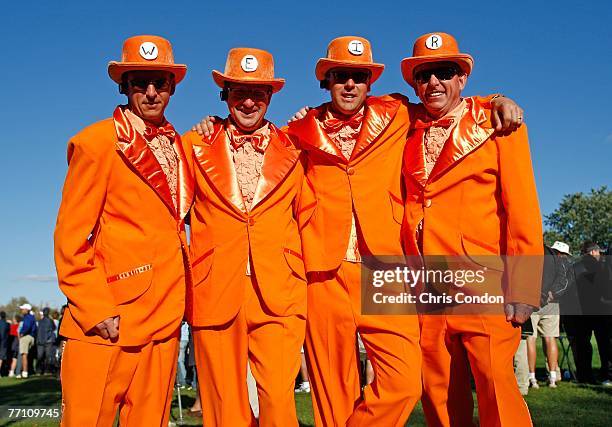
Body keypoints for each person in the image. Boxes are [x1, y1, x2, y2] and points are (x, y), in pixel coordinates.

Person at [286, 36, 523, 427]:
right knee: (331, 392)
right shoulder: (298, 130)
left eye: (358, 76)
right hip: (323, 272)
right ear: (325, 81)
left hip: (385, 270)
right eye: (340, 76)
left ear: (370, 82)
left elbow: (453, 106)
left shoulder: (398, 114)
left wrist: (497, 99)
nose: (349, 84)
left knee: (405, 382)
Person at [400, 32, 543, 426]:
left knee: (498, 390)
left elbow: (523, 211)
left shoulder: (499, 125)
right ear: (414, 83)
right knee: (440, 398)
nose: (434, 83)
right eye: (424, 74)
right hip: (425, 290)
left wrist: (525, 287)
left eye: (444, 72)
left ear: (462, 79)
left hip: (485, 287)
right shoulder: (403, 127)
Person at [54, 35, 193, 426]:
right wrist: (94, 305)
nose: (150, 93)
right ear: (124, 86)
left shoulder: (181, 146)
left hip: (165, 322)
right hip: (108, 321)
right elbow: (70, 235)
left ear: (172, 86)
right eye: (139, 83)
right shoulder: (96, 143)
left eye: (160, 83)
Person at [183, 47, 306, 427]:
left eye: (259, 93)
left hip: (280, 291)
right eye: (239, 92)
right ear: (225, 95)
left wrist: (496, 99)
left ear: (271, 96)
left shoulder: (298, 147)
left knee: (278, 404)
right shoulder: (193, 145)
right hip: (214, 287)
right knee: (224, 408)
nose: (249, 102)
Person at [526, 241, 572, 388]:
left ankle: (532, 378)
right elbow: (563, 283)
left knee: (530, 339)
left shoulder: (540, 257)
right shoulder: (561, 264)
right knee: (550, 338)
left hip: (532, 300)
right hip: (551, 303)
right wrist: (551, 295)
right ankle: (552, 377)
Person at [571, 241, 612, 384]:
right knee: (605, 344)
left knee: (583, 345)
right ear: (594, 252)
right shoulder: (603, 266)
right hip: (601, 310)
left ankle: (585, 375)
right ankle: (606, 374)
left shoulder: (574, 267)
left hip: (581, 312)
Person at [17, 303, 37, 378]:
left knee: (24, 355)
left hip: (26, 336)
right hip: (31, 336)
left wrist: (22, 333)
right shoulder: (32, 317)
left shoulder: (27, 317)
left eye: (23, 309)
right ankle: (26, 371)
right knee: (27, 355)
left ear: (27, 310)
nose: (21, 310)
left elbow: (27, 326)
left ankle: (24, 372)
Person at [36, 307, 57, 375]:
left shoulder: (49, 321)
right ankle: (40, 370)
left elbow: (53, 328)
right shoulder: (40, 321)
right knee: (41, 356)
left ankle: (46, 371)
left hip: (48, 341)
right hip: (42, 341)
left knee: (47, 356)